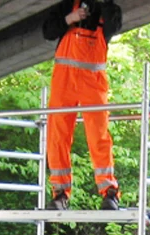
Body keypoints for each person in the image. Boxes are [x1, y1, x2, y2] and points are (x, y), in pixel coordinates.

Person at [42, 0, 123, 211]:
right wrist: (70, 18)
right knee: (57, 135)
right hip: (64, 80)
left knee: (99, 136)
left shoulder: (109, 10)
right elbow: (48, 31)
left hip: (93, 82)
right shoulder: (68, 5)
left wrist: (102, 6)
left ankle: (109, 192)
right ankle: (60, 194)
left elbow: (114, 27)